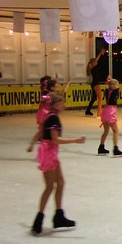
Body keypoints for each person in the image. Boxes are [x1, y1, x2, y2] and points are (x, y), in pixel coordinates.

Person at [30, 92, 86, 235]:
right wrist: (75, 140)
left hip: (48, 151)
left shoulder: (48, 115)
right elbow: (55, 139)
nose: (64, 104)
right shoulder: (53, 118)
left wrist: (31, 144)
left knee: (60, 183)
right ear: (55, 104)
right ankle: (38, 220)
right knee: (50, 186)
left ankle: (58, 215)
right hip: (49, 152)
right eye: (62, 102)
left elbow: (41, 132)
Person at [98, 72, 122, 156]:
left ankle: (101, 147)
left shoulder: (106, 90)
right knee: (116, 131)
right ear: (114, 85)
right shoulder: (115, 91)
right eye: (117, 84)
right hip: (110, 111)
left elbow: (106, 85)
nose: (118, 86)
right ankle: (115, 149)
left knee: (106, 131)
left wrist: (108, 80)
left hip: (105, 111)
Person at [85, 47, 107, 117]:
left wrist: (100, 53)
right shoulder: (94, 68)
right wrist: (100, 53)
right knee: (100, 98)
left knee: (94, 98)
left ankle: (88, 111)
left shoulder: (92, 68)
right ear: (93, 63)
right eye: (96, 62)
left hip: (94, 84)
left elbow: (96, 59)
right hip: (96, 84)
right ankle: (99, 113)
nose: (97, 62)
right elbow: (97, 59)